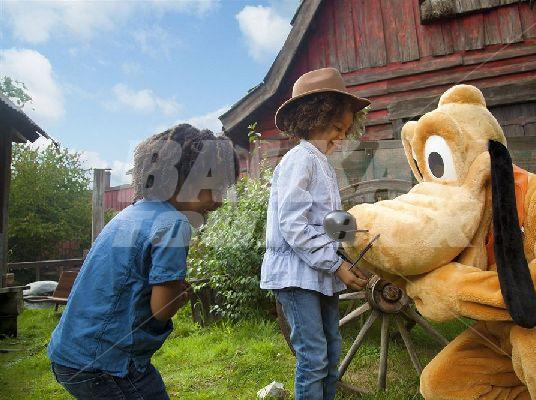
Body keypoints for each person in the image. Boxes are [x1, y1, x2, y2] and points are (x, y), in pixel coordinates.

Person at [48, 124, 238, 399]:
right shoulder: (173, 223)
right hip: (107, 364)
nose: (219, 200)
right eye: (216, 186)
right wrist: (178, 294)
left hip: (70, 354)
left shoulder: (130, 215)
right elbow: (161, 310)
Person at [260, 67, 370, 400]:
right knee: (313, 356)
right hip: (296, 276)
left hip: (319, 273)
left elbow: (327, 221)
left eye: (346, 131)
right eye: (336, 127)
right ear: (312, 118)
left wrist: (353, 249)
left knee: (331, 350)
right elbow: (293, 223)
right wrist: (335, 264)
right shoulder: (300, 159)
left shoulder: (320, 162)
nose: (340, 137)